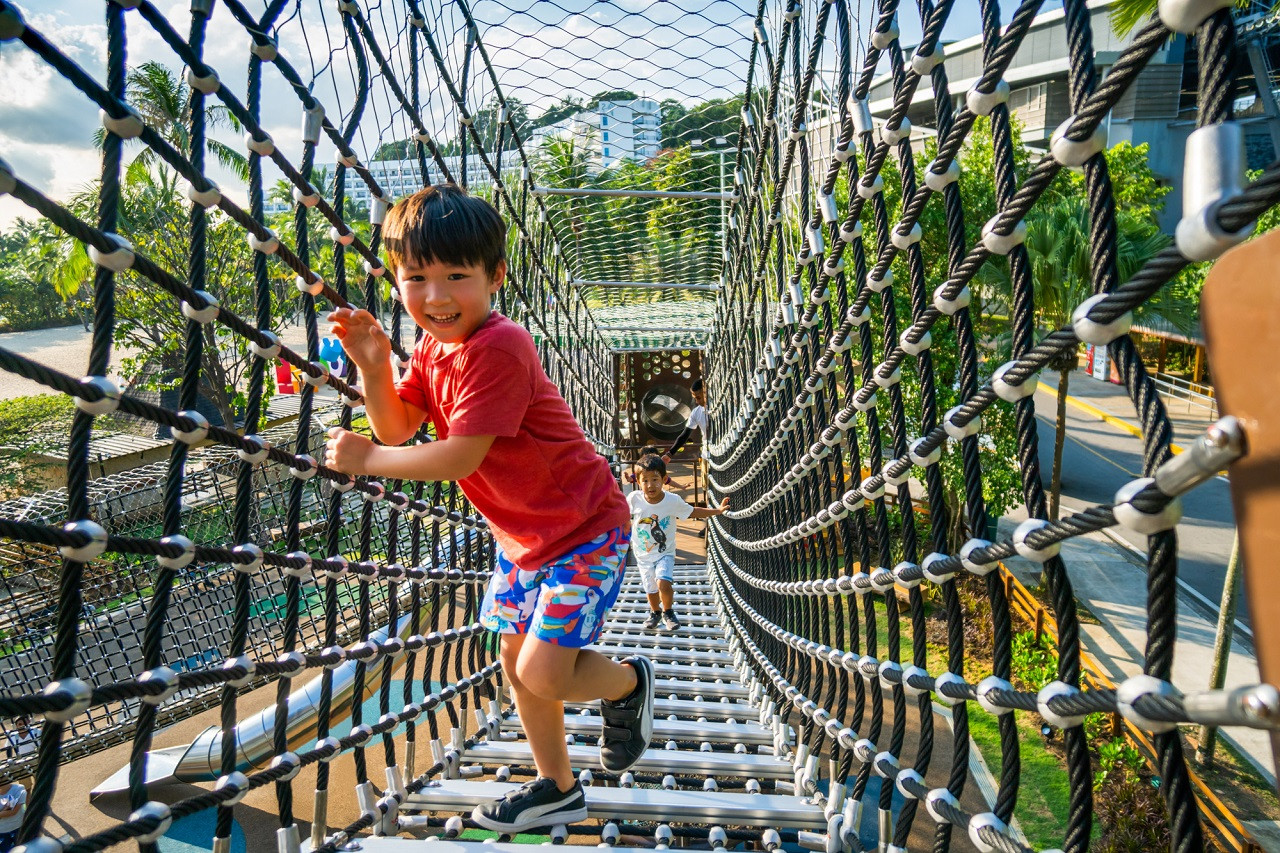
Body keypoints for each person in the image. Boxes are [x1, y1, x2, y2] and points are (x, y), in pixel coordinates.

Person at [322, 184, 653, 833]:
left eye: (457, 276)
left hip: (585, 528)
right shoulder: (430, 348)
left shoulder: (499, 346)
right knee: (513, 659)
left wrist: (368, 463)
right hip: (523, 539)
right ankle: (556, 785)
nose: (438, 296)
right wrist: (371, 366)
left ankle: (627, 684)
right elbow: (395, 426)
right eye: (418, 278)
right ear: (397, 280)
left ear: (495, 276)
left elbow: (457, 456)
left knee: (541, 669)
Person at [628, 455, 728, 631]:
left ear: (664, 479)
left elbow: (692, 511)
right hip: (642, 554)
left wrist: (716, 511)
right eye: (645, 480)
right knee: (650, 589)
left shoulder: (671, 501)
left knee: (662, 583)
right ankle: (655, 612)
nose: (650, 485)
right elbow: (620, 512)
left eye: (655, 479)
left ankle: (668, 611)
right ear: (638, 481)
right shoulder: (634, 499)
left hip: (664, 552)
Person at [0, 778, 26, 852]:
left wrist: (5, 812)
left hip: (18, 828)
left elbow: (13, 812)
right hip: (1, 832)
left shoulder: (18, 789)